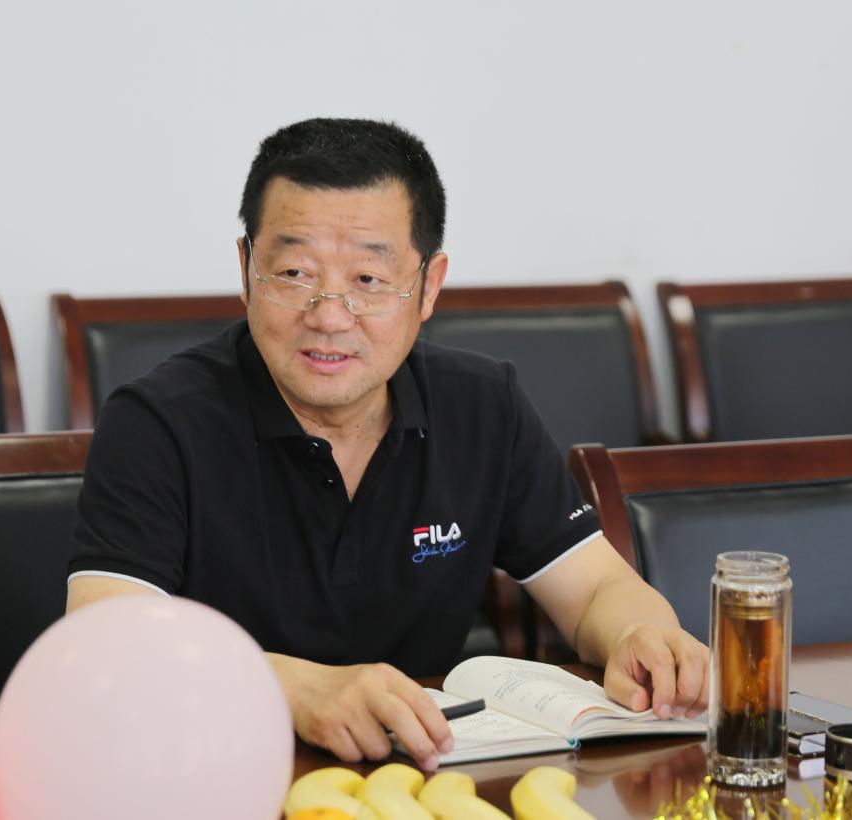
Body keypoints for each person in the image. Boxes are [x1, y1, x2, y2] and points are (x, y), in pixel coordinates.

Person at [66, 117, 709, 772]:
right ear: (246, 269)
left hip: (426, 783)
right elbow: (103, 647)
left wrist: (641, 633)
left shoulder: (484, 406)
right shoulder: (157, 424)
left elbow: (597, 587)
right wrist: (292, 687)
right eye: (293, 272)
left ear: (429, 285)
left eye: (368, 280)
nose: (329, 315)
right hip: (213, 778)